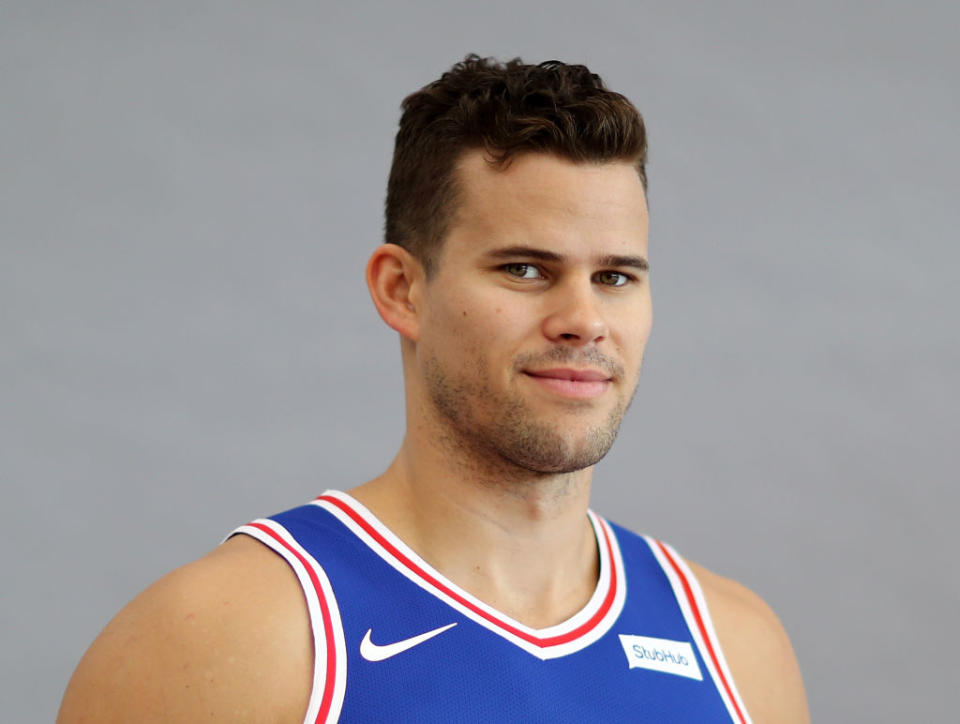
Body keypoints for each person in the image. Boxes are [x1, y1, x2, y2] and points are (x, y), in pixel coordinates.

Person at [58, 55, 809, 723]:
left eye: (614, 277)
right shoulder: (234, 635)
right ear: (402, 290)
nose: (583, 319)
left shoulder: (735, 649)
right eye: (525, 269)